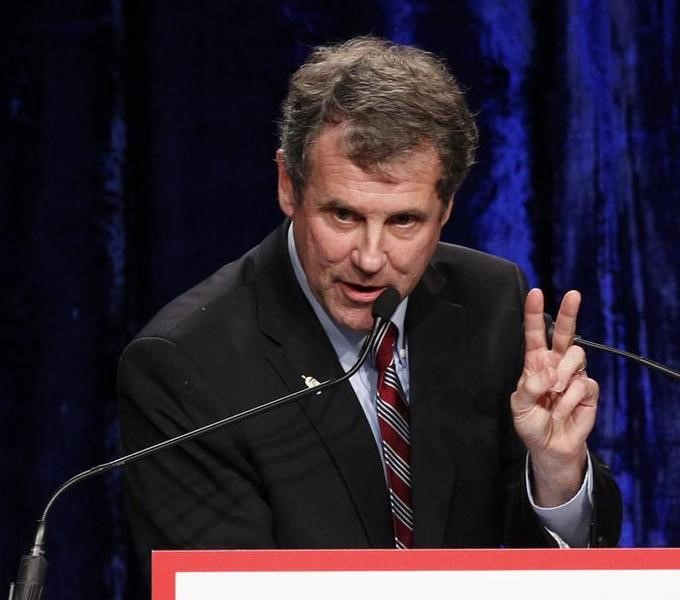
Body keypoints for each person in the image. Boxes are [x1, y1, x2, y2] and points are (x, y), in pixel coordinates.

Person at [118, 36, 621, 579]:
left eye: (404, 221)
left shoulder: (490, 305)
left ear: (446, 208)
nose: (370, 258)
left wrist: (556, 472)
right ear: (289, 185)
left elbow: (553, 568)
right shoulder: (187, 364)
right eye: (343, 215)